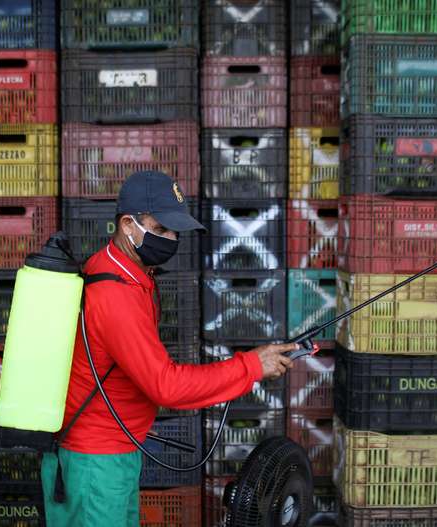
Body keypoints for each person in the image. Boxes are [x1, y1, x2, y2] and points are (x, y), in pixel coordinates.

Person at [41, 170, 298, 526]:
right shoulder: (117, 295)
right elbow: (166, 386)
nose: (172, 238)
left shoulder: (126, 270)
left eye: (175, 230)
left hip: (110, 452)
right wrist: (251, 366)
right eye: (161, 229)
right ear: (128, 225)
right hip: (95, 463)